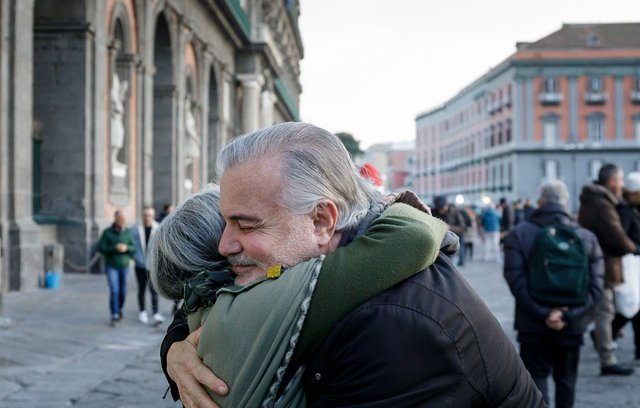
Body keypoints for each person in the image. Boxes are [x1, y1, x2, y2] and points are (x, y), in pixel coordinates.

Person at [161, 122, 545, 408]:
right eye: (226, 221)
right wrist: (176, 349)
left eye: (246, 225)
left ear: (322, 221)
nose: (225, 245)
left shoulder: (396, 326)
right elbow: (210, 295)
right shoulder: (296, 264)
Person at [149, 184, 450, 406]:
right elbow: (415, 236)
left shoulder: (206, 310)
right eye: (246, 225)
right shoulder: (279, 297)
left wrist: (173, 349)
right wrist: (388, 201)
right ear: (227, 256)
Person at [503, 180, 604, 407]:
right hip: (572, 325)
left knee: (536, 382)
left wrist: (544, 313)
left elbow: (515, 280)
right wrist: (567, 316)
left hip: (532, 324)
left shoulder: (519, 234)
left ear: (540, 202)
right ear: (566, 203)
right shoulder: (587, 237)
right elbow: (597, 288)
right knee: (567, 381)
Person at [578, 163, 639, 375]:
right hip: (603, 265)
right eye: (620, 180)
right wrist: (633, 248)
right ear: (612, 182)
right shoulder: (601, 204)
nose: (622, 185)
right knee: (605, 311)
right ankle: (608, 360)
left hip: (601, 264)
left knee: (599, 310)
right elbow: (617, 236)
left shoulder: (598, 201)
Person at [611, 171, 640, 360]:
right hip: (632, 264)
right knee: (632, 306)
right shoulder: (626, 211)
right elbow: (623, 239)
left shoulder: (633, 209)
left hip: (635, 263)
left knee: (635, 307)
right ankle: (607, 332)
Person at [98, 210, 135, 326]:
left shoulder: (128, 232)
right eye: (120, 219)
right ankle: (114, 313)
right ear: (115, 219)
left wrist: (126, 248)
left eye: (124, 220)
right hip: (111, 265)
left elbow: (134, 248)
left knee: (123, 291)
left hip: (124, 265)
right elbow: (101, 248)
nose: (122, 222)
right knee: (114, 290)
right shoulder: (107, 232)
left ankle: (119, 309)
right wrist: (115, 247)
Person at [131, 206, 164, 325]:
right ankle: (142, 311)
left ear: (153, 215)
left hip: (152, 265)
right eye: (145, 215)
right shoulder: (135, 228)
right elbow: (131, 245)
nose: (147, 217)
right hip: (140, 265)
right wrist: (134, 257)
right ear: (142, 215)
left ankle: (156, 313)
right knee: (141, 289)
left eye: (149, 215)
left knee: (154, 290)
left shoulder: (158, 228)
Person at [433, 195, 467, 266]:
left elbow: (462, 227)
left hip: (457, 235)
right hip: (444, 238)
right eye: (439, 208)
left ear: (446, 205)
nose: (440, 210)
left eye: (442, 208)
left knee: (460, 249)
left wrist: (450, 227)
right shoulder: (435, 211)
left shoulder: (455, 211)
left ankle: (461, 261)